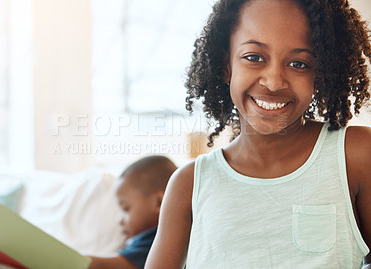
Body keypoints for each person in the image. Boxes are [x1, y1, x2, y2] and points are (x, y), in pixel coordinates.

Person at [145, 0, 371, 268]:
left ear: (320, 74)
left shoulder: (354, 156)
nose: (274, 81)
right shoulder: (189, 185)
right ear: (225, 65)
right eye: (254, 57)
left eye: (299, 63)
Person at [88, 155, 177, 269]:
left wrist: (77, 260)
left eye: (126, 209)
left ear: (159, 202)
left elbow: (115, 266)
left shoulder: (157, 238)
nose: (119, 220)